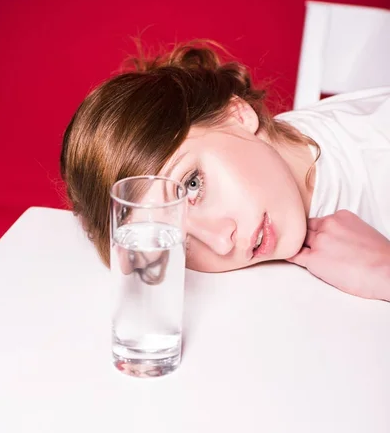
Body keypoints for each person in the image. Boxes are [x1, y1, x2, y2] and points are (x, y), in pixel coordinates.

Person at [60, 41, 390, 301]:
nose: (221, 242)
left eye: (191, 185)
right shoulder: (268, 157)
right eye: (175, 239)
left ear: (237, 114)